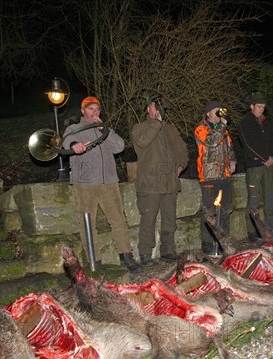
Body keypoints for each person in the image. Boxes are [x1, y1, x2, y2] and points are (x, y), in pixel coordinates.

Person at [62, 96, 142, 272]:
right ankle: (94, 260)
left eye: (97, 109)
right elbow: (66, 141)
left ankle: (126, 256)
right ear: (83, 111)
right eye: (90, 109)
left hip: (109, 182)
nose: (94, 112)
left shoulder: (104, 130)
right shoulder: (74, 128)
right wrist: (74, 144)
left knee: (118, 220)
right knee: (87, 222)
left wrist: (104, 129)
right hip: (85, 184)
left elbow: (119, 147)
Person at [130, 94, 188, 268]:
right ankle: (145, 253)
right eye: (155, 106)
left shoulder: (169, 129)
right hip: (150, 183)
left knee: (170, 218)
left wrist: (180, 165)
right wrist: (156, 122)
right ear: (148, 109)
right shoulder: (139, 128)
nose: (158, 110)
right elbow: (142, 142)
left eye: (160, 107)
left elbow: (182, 148)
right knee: (148, 219)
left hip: (169, 182)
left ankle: (168, 250)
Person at [194, 100, 236, 256]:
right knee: (209, 212)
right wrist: (223, 126)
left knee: (225, 211)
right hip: (209, 177)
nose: (219, 113)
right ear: (208, 113)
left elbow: (230, 147)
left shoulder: (223, 130)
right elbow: (211, 141)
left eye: (221, 110)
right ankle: (207, 244)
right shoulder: (200, 129)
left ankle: (224, 242)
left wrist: (233, 161)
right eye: (216, 110)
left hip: (224, 176)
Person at [238, 91, 273, 242]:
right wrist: (263, 159)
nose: (261, 109)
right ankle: (253, 231)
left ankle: (271, 228)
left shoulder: (267, 124)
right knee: (254, 199)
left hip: (269, 166)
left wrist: (272, 157)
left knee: (269, 197)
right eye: (259, 106)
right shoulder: (245, 123)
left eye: (263, 107)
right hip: (254, 166)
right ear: (252, 106)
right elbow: (247, 144)